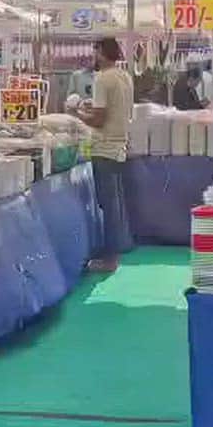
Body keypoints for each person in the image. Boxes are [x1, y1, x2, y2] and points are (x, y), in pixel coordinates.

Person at [75, 38, 135, 272]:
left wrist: (77, 113)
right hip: (120, 145)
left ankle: (110, 259)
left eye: (95, 51)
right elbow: (116, 109)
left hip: (104, 147)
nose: (93, 56)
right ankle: (119, 247)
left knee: (108, 205)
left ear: (101, 52)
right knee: (116, 204)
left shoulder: (102, 78)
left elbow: (98, 120)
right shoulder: (124, 77)